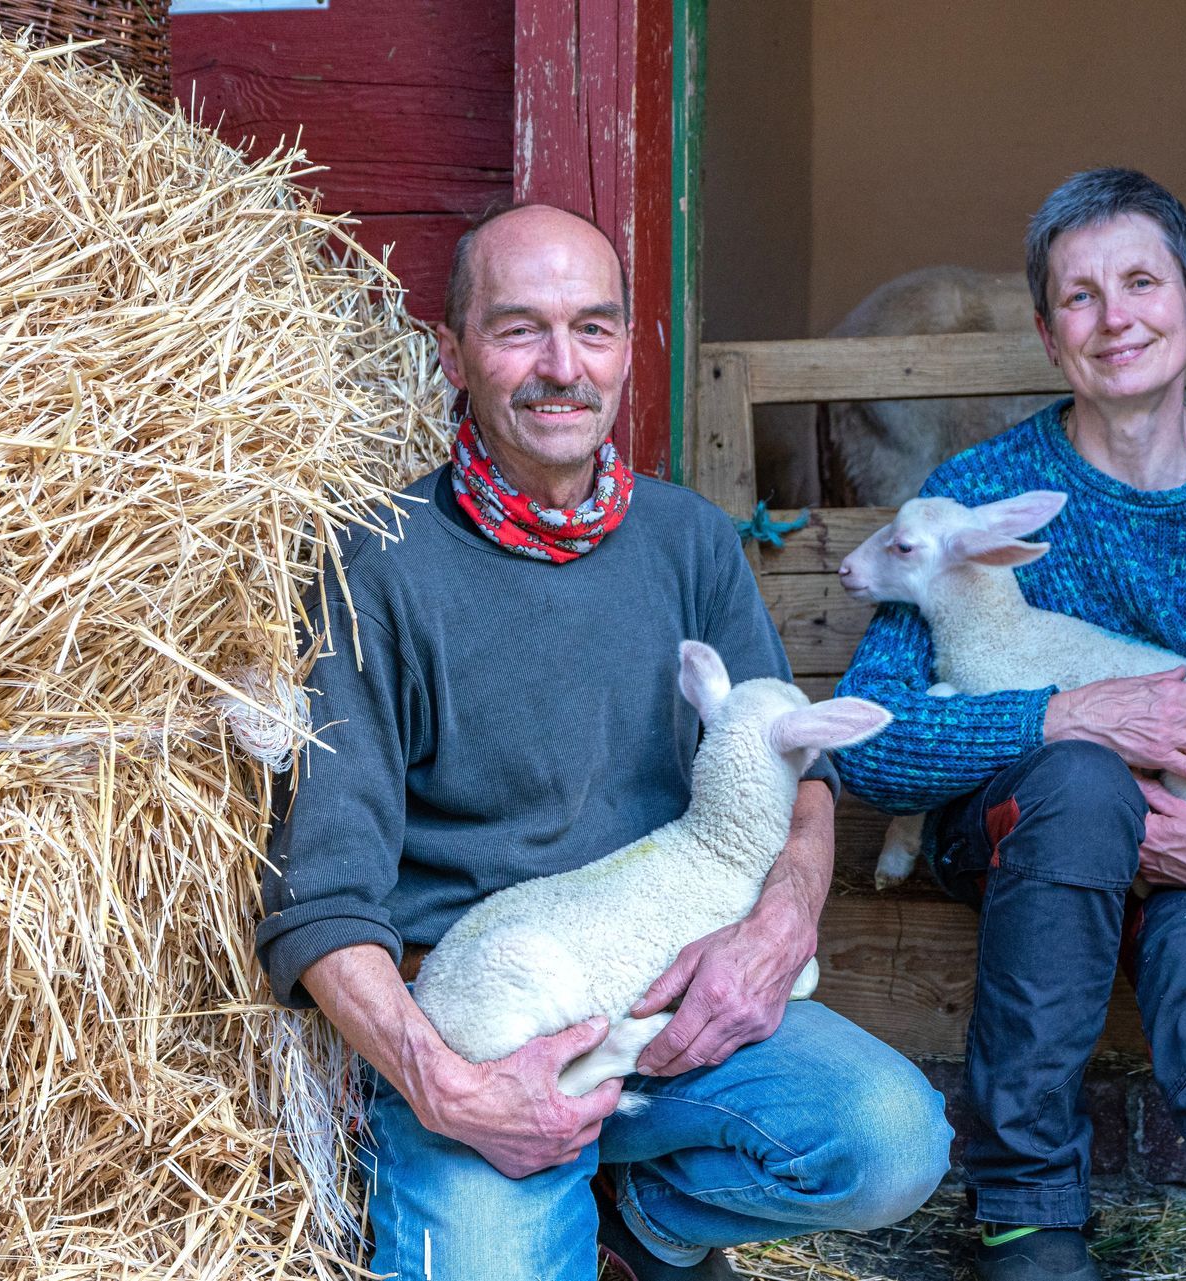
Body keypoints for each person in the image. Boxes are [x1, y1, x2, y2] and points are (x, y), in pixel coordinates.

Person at [257, 203, 950, 1281]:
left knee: (892, 1141)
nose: (560, 367)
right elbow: (321, 900)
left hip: (663, 1013)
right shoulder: (377, 565)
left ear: (631, 349)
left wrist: (779, 922)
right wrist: (452, 1091)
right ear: (453, 353)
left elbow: (801, 767)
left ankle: (644, 1222)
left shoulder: (689, 541)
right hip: (489, 1027)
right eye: (518, 328)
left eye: (593, 328)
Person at [835, 168, 1186, 1281]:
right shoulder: (979, 490)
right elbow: (876, 737)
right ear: (1049, 336)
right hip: (1024, 840)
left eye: (1141, 283)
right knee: (1084, 781)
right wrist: (1064, 713)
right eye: (1080, 297)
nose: (1115, 317)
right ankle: (1029, 1224)